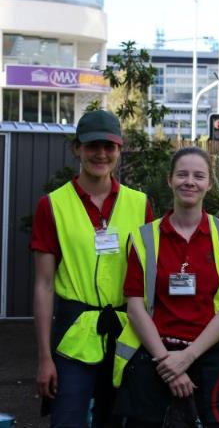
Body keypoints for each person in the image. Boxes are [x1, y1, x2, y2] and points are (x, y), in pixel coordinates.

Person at [30, 110, 152, 427]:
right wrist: (44, 358)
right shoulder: (52, 205)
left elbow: (151, 280)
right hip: (73, 334)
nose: (101, 154)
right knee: (67, 420)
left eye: (109, 146)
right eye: (92, 146)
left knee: (117, 421)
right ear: (77, 149)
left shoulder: (140, 204)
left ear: (119, 149)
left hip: (127, 333)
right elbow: (43, 286)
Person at [113, 147, 219, 427]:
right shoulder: (144, 237)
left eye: (199, 176)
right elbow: (135, 307)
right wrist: (168, 363)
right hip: (155, 358)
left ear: (209, 184)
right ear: (169, 180)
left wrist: (187, 357)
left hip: (210, 359)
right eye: (182, 174)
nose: (190, 181)